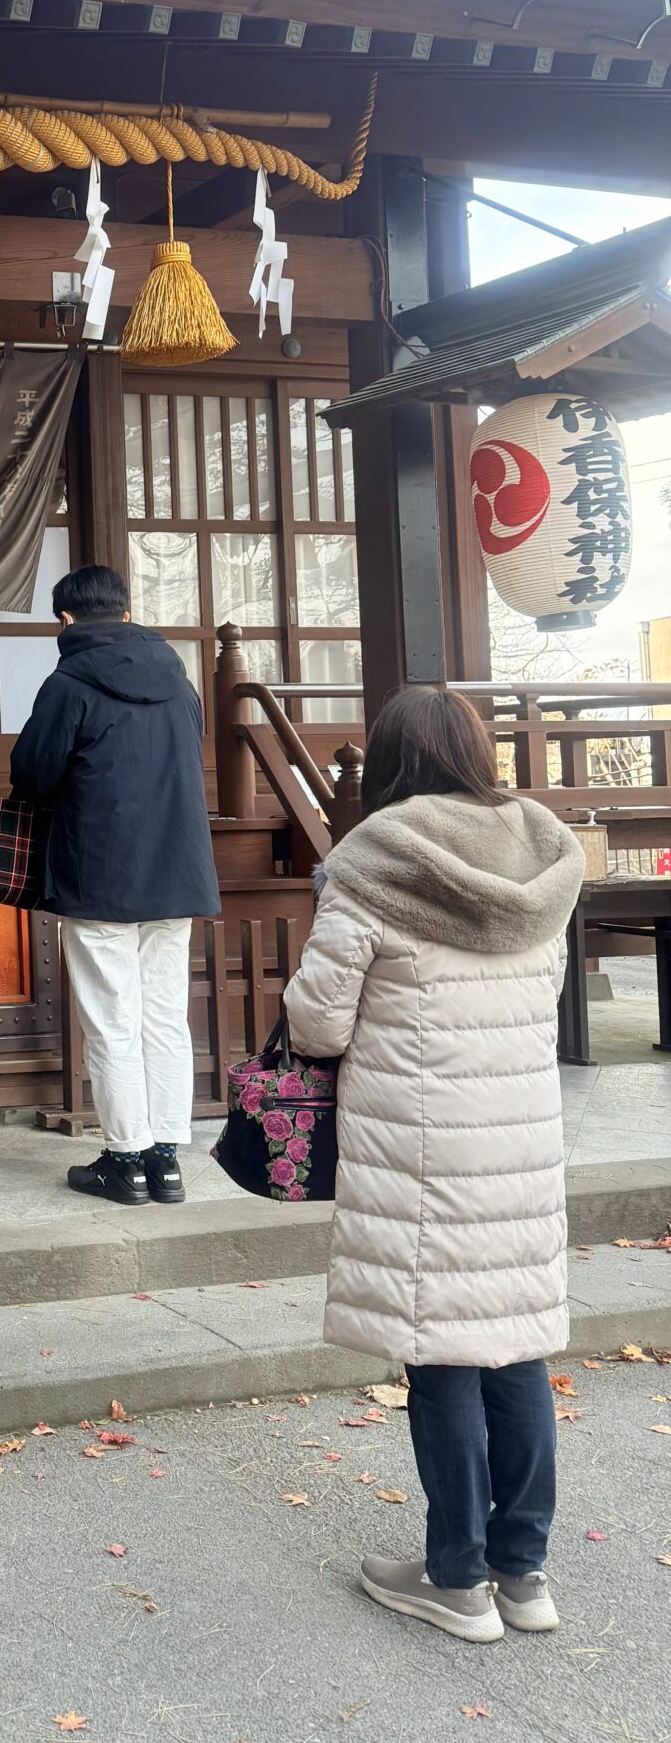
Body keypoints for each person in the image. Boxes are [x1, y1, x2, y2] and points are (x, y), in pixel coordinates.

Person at [284, 685, 584, 1645]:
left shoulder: (373, 861)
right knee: (515, 1344)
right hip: (519, 1137)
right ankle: (522, 1573)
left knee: (441, 1352)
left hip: (418, 1141)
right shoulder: (544, 853)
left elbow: (319, 1022)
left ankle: (456, 1578)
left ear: (388, 764)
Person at [10, 562, 220, 1206]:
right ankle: (167, 1159)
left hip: (98, 874)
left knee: (112, 1022)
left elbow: (34, 777)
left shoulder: (68, 683)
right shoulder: (181, 685)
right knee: (165, 1018)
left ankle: (124, 1161)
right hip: (176, 872)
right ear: (127, 614)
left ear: (65, 621)